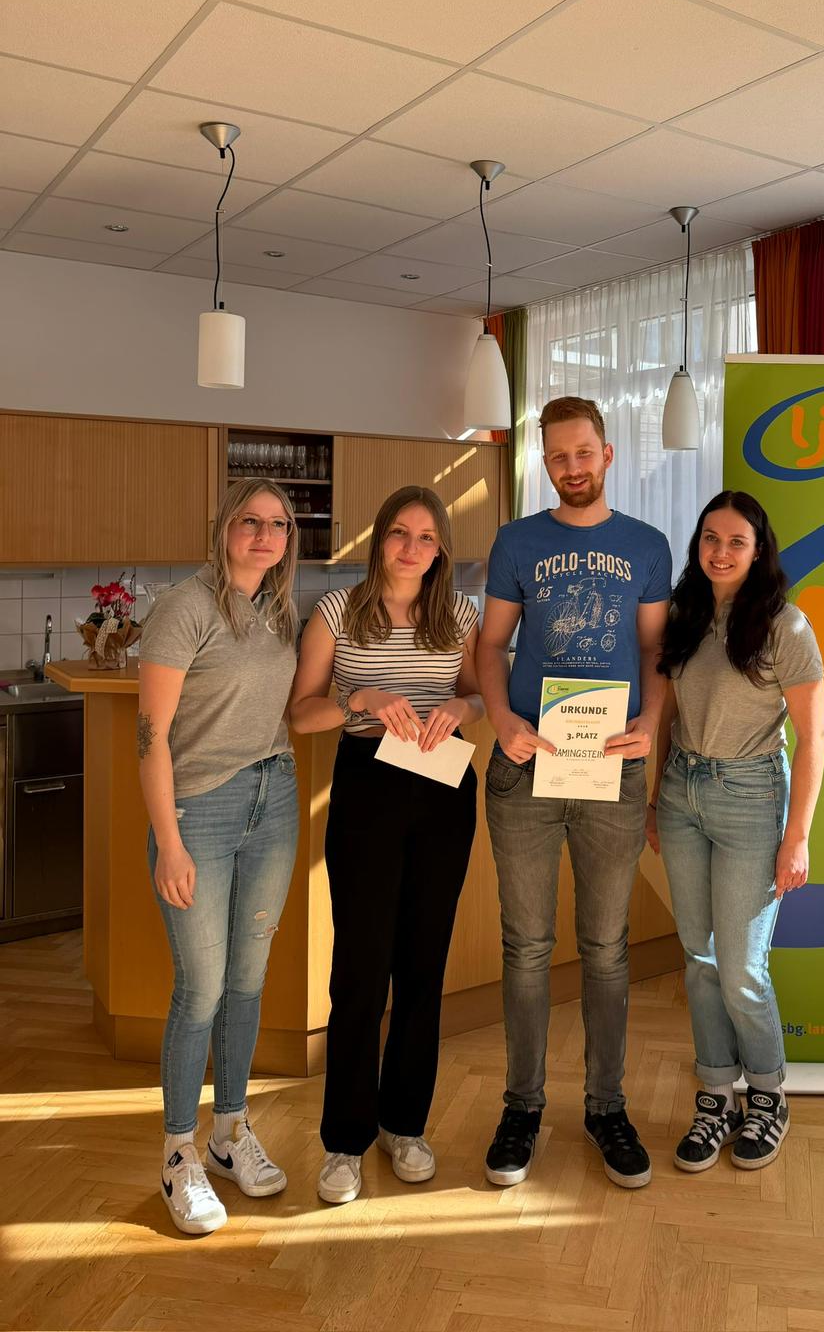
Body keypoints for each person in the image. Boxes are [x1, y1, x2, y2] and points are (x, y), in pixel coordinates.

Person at [477, 396, 671, 1190]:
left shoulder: (647, 545)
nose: (572, 467)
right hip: (527, 766)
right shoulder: (516, 541)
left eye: (583, 452)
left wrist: (652, 721)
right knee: (525, 947)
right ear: (546, 464)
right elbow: (491, 645)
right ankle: (521, 1108)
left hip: (611, 767)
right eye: (558, 456)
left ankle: (606, 1108)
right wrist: (501, 720)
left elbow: (655, 651)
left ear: (607, 453)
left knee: (606, 947)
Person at [289, 486, 483, 1205]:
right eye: (400, 533)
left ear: (440, 550)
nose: (411, 548)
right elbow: (301, 713)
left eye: (426, 537)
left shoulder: (459, 615)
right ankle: (344, 1141)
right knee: (361, 972)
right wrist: (360, 700)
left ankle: (406, 1126)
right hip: (367, 788)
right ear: (379, 539)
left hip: (442, 787)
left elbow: (480, 696)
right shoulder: (337, 610)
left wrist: (461, 705)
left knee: (423, 966)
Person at [137, 477, 300, 1236]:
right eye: (250, 522)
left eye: (278, 524)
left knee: (246, 983)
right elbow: (151, 740)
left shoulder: (280, 609)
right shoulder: (185, 607)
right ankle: (178, 1153)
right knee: (199, 989)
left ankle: (230, 1133)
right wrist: (168, 841)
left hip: (275, 800)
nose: (264, 536)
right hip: (198, 812)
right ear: (224, 527)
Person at [647, 490, 824, 1174]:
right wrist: (655, 797)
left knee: (743, 968)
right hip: (681, 794)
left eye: (736, 542)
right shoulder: (685, 615)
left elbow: (814, 737)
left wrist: (797, 835)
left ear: (758, 551)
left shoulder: (786, 626)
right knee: (699, 959)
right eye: (710, 539)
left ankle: (768, 1095)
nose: (720, 552)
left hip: (750, 798)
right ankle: (717, 1094)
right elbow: (667, 716)